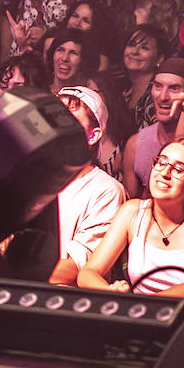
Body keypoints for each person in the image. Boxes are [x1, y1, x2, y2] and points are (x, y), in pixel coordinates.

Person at [77, 138, 184, 300]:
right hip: (138, 316)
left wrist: (146, 305)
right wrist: (111, 291)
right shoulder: (132, 212)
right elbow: (87, 273)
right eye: (161, 162)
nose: (164, 173)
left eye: (178, 169)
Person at [48, 86, 127, 285]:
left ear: (93, 135)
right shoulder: (28, 177)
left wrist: (8, 263)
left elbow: (73, 270)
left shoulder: (105, 191)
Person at [122, 58, 184, 197]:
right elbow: (133, 205)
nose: (163, 97)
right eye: (158, 86)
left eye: (174, 88)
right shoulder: (135, 144)